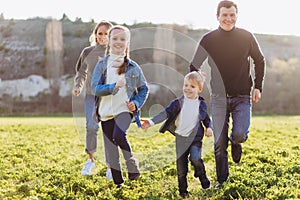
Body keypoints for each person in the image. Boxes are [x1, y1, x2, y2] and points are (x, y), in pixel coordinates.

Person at [190, 0, 266, 189]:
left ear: (236, 16)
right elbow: (193, 65)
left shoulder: (246, 37)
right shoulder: (208, 39)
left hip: (242, 96)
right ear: (217, 16)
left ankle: (237, 142)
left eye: (232, 15)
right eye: (224, 15)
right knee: (218, 143)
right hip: (218, 98)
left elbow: (260, 60)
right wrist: (198, 76)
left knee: (239, 134)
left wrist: (258, 86)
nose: (228, 18)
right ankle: (222, 180)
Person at [91, 25, 149, 187]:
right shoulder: (102, 64)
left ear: (127, 43)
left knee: (119, 136)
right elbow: (94, 88)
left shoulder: (132, 66)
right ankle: (118, 183)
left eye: (122, 39)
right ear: (108, 41)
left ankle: (132, 166)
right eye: (115, 38)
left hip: (124, 111)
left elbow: (144, 89)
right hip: (105, 112)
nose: (118, 42)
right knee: (111, 148)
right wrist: (113, 87)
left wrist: (136, 103)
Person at [141, 71, 213, 198]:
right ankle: (183, 191)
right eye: (186, 85)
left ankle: (202, 176)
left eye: (192, 86)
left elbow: (206, 119)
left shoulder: (201, 104)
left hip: (195, 138)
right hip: (181, 139)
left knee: (195, 158)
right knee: (181, 168)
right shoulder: (177, 103)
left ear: (199, 89)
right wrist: (151, 122)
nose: (188, 88)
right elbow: (165, 113)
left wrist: (209, 128)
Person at [72, 20, 113, 176]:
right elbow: (81, 72)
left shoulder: (115, 53)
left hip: (108, 98)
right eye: (99, 33)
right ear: (95, 34)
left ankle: (111, 167)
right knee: (91, 127)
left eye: (106, 34)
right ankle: (90, 160)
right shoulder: (87, 51)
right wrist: (78, 86)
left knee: (108, 131)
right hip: (91, 95)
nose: (102, 37)